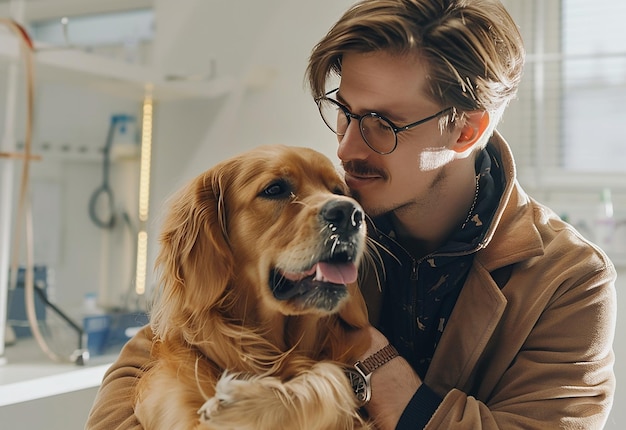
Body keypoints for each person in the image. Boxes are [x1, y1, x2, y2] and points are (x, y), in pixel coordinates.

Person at [85, 0, 616, 429]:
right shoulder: (327, 212)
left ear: (465, 131)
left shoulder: (570, 281)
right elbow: (158, 354)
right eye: (345, 112)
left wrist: (374, 366)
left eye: (383, 122)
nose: (347, 148)